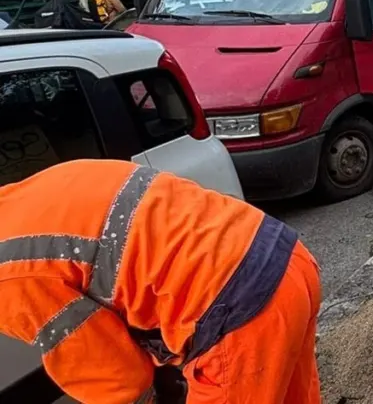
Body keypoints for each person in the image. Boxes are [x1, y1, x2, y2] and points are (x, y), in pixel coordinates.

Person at [0, 160, 321, 403]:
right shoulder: (25, 201)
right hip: (287, 259)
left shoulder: (9, 278)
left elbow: (117, 379)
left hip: (241, 312)